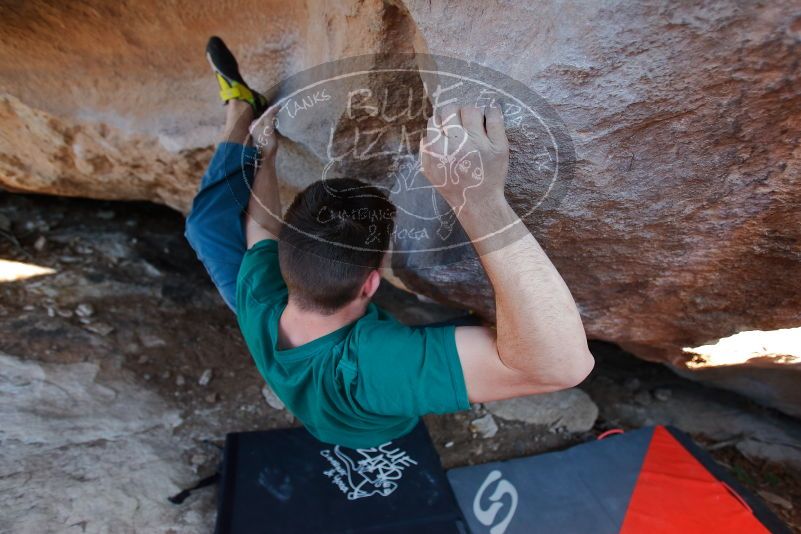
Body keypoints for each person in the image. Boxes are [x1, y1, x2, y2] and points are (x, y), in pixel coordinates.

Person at [185, 37, 594, 448]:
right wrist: (480, 201)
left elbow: (260, 232)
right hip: (374, 422)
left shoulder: (258, 294)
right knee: (495, 334)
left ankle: (239, 106)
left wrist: (267, 156)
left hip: (313, 386)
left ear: (284, 261)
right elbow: (559, 367)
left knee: (204, 228)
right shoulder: (371, 365)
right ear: (370, 284)